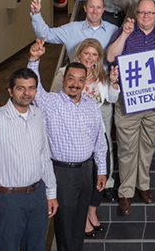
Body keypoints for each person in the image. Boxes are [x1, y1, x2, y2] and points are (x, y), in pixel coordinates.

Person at [26, 39, 107, 251]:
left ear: (85, 82)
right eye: (71, 78)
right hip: (62, 173)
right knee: (64, 225)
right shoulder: (50, 102)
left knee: (79, 224)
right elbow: (34, 88)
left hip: (86, 171)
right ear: (63, 79)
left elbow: (100, 141)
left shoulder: (91, 105)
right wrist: (34, 60)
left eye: (80, 80)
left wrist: (102, 171)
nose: (75, 83)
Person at [0, 69, 58, 251]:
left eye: (31, 88)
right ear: (10, 91)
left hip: (38, 194)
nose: (27, 93)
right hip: (9, 199)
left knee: (36, 247)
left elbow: (44, 156)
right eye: (21, 88)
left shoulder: (38, 115)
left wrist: (51, 193)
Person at [105, 0, 155, 215]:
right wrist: (124, 34)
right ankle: (125, 192)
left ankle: (142, 186)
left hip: (154, 104)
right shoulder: (123, 32)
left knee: (147, 147)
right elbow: (110, 56)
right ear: (135, 13)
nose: (145, 16)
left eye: (149, 13)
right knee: (126, 148)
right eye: (141, 13)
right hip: (128, 102)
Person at [50, 39, 121, 230]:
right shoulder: (64, 74)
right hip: (71, 136)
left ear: (98, 58)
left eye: (94, 54)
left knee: (100, 172)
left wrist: (114, 83)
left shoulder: (101, 76)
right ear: (79, 54)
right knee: (83, 179)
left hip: (97, 134)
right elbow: (54, 102)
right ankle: (81, 219)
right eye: (86, 53)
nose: (90, 58)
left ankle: (92, 212)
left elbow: (112, 99)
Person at [30, 0, 116, 56]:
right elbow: (45, 35)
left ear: (103, 10)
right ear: (85, 8)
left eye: (98, 7)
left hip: (102, 79)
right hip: (77, 79)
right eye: (91, 7)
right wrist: (36, 14)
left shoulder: (114, 30)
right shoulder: (72, 29)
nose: (95, 11)